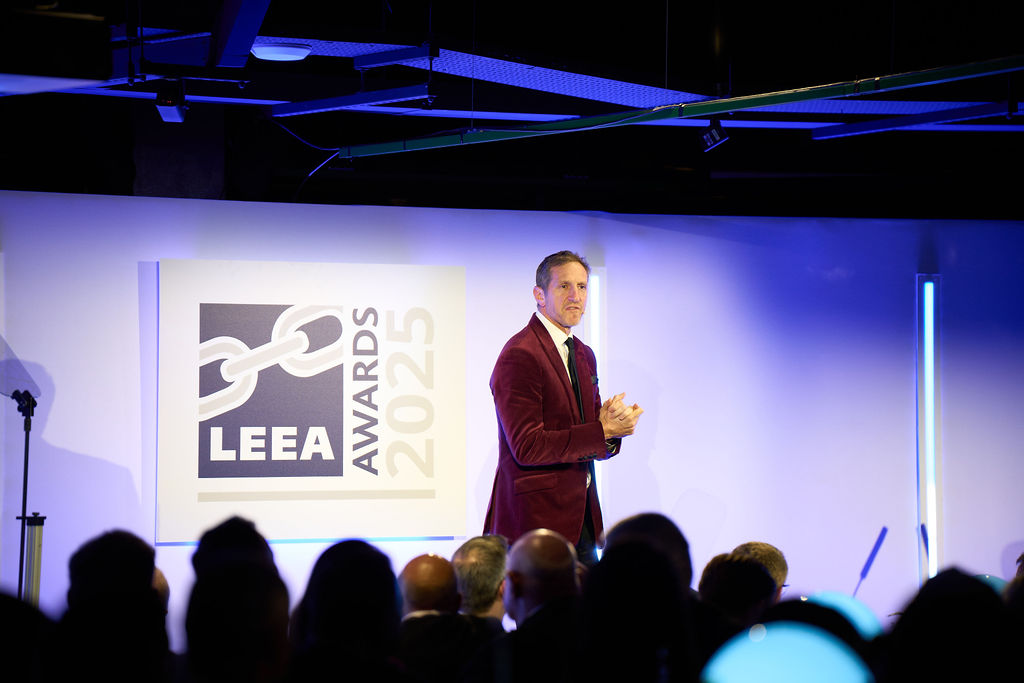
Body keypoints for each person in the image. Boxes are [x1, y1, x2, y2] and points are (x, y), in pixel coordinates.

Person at [484, 250, 643, 565]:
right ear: (539, 295)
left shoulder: (584, 353)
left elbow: (591, 439)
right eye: (564, 286)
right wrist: (601, 431)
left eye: (582, 287)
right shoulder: (520, 354)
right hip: (535, 523)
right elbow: (527, 447)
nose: (576, 296)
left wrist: (612, 428)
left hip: (582, 519)